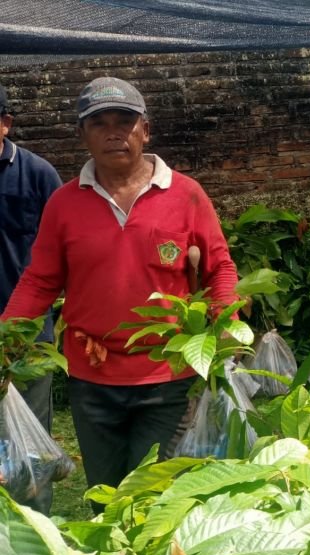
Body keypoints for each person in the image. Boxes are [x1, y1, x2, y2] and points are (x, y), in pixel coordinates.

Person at [1, 77, 238, 498]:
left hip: (167, 374)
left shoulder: (186, 195)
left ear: (145, 130)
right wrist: (4, 339)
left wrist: (226, 334)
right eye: (99, 123)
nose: (114, 132)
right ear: (83, 135)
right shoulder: (65, 203)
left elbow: (219, 268)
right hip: (92, 379)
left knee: (153, 498)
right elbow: (40, 280)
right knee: (106, 496)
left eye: (125, 122)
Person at [0, 83, 63, 514]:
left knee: (29, 433)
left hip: (27, 332)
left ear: (5, 123)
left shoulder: (37, 174)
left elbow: (64, 248)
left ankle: (36, 526)